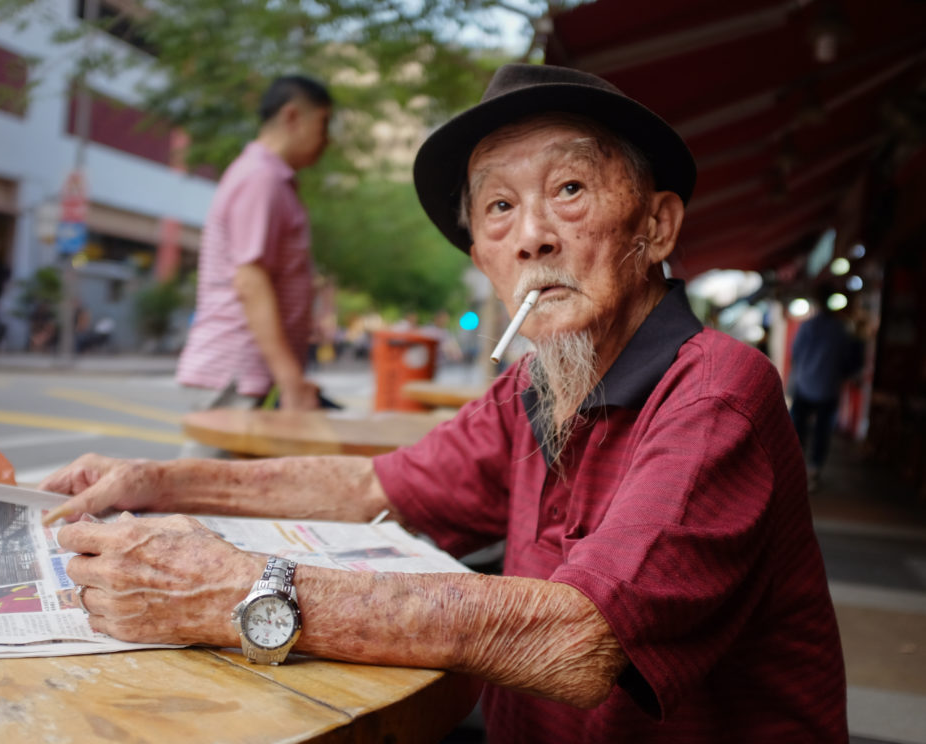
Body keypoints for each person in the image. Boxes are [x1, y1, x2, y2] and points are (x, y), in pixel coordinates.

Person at [42, 64, 847, 742]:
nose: (530, 236)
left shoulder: (715, 393)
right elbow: (370, 488)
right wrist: (157, 481)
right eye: (499, 208)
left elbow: (582, 637)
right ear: (483, 258)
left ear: (658, 226)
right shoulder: (533, 388)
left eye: (569, 189)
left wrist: (245, 594)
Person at [174, 74, 332, 448]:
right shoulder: (262, 180)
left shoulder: (267, 178)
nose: (327, 139)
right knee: (210, 499)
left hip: (247, 372)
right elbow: (250, 282)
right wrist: (291, 381)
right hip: (237, 373)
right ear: (292, 116)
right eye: (323, 124)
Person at [790, 285, 863, 487]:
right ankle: (814, 469)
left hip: (804, 384)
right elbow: (847, 359)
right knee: (822, 431)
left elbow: (795, 353)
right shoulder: (840, 328)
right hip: (829, 386)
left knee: (797, 430)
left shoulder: (807, 326)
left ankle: (793, 467)